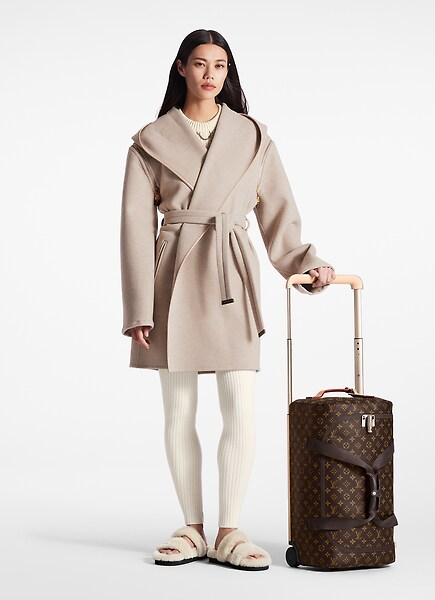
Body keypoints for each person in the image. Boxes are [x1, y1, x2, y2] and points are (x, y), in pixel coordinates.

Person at [120, 29, 335, 571]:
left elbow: (278, 214)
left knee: (240, 404)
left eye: (219, 65)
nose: (210, 74)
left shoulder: (254, 138)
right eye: (199, 63)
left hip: (231, 276)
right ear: (181, 68)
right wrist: (138, 307)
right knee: (179, 410)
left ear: (228, 71)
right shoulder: (149, 141)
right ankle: (191, 528)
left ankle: (230, 529)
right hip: (172, 278)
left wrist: (304, 262)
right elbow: (134, 229)